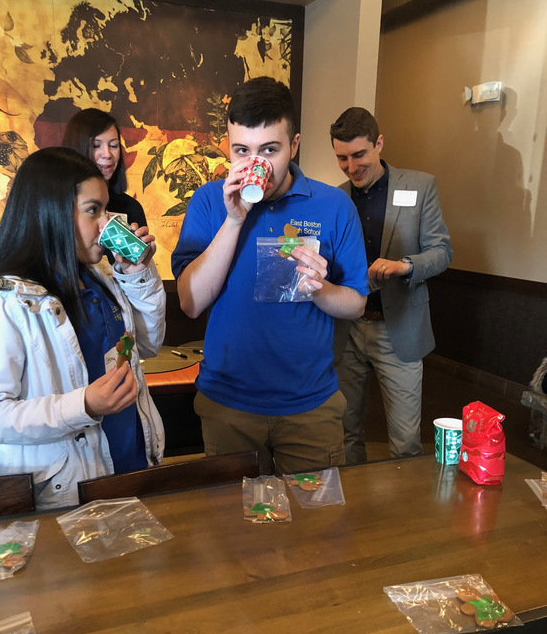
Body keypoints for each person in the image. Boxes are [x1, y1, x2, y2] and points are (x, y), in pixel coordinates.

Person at [0, 147, 165, 510]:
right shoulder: (2, 302)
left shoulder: (100, 280)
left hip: (133, 466)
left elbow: (147, 345)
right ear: (52, 212)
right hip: (68, 493)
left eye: (106, 210)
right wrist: (84, 405)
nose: (106, 224)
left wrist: (137, 275)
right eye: (93, 210)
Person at [171, 77, 368, 476]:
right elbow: (191, 303)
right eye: (241, 150)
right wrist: (233, 220)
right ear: (228, 146)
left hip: (310, 404)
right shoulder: (209, 201)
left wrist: (319, 289)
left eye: (269, 150)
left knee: (317, 514)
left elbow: (356, 304)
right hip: (228, 402)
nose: (254, 163)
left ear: (294, 144)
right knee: (234, 515)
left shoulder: (334, 205)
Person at [330, 107, 452, 465]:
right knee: (344, 433)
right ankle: (351, 498)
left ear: (379, 143)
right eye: (342, 158)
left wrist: (405, 265)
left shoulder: (421, 186)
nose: (351, 167)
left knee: (405, 441)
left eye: (359, 155)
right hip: (348, 330)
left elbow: (442, 251)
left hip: (399, 329)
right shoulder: (336, 198)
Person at [62, 108, 146, 263]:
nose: (107, 154)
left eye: (113, 146)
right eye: (96, 146)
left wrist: (137, 265)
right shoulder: (57, 203)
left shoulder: (130, 207)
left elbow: (136, 268)